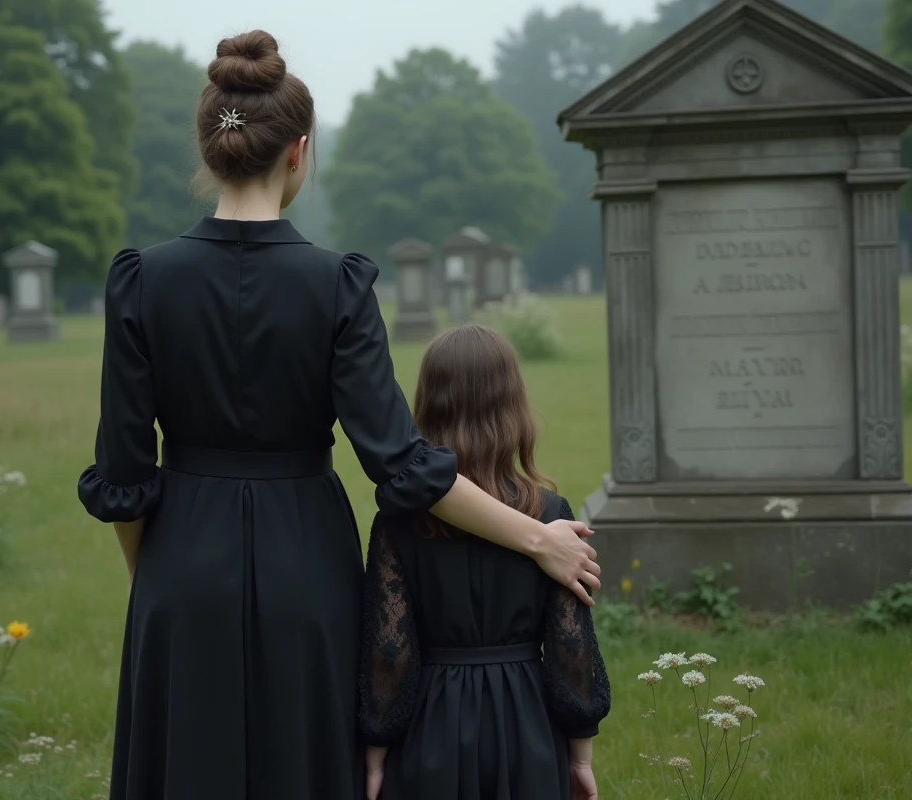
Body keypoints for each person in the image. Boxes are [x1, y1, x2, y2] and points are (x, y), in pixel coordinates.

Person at [77, 30, 600, 800]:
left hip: (179, 563)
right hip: (307, 566)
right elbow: (402, 466)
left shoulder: (142, 282)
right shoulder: (336, 286)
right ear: (299, 150)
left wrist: (150, 574)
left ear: (209, 149)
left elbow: (125, 473)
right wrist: (539, 540)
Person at [359, 324, 611, 800]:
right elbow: (570, 649)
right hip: (527, 729)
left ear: (427, 408)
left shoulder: (399, 522)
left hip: (429, 727)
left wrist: (375, 751)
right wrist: (580, 756)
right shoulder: (551, 520)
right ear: (513, 408)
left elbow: (388, 650)